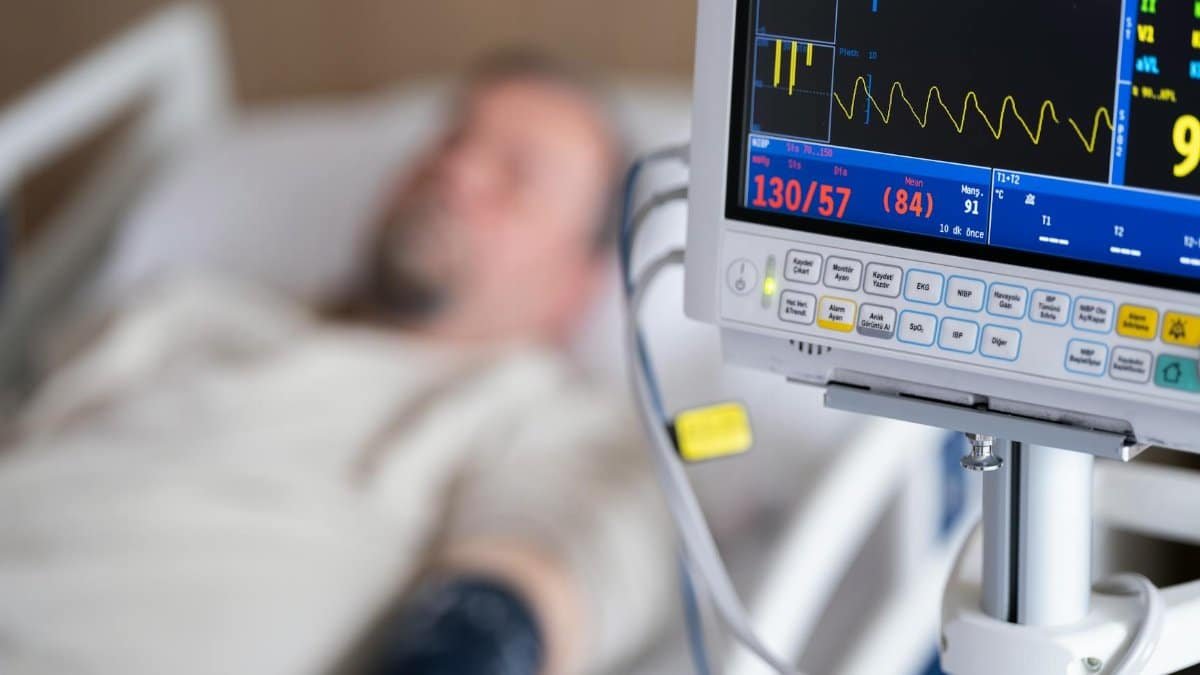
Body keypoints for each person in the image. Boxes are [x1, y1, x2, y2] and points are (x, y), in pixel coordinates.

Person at [0, 53, 672, 675]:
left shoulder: (544, 416)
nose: (458, 169)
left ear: (580, 280)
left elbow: (540, 587)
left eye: (517, 176)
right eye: (450, 138)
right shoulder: (184, 312)